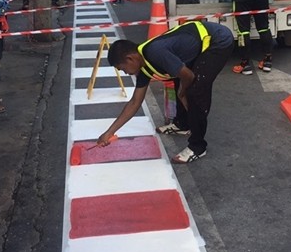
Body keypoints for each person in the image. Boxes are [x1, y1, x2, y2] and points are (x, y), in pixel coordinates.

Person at [97, 21, 233, 163]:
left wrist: (182, 92)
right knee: (177, 78)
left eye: (122, 68)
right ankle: (183, 124)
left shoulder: (154, 52)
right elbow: (135, 102)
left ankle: (198, 147)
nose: (125, 73)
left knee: (194, 91)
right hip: (196, 42)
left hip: (217, 40)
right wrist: (109, 132)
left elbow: (189, 76)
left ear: (130, 58)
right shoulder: (143, 67)